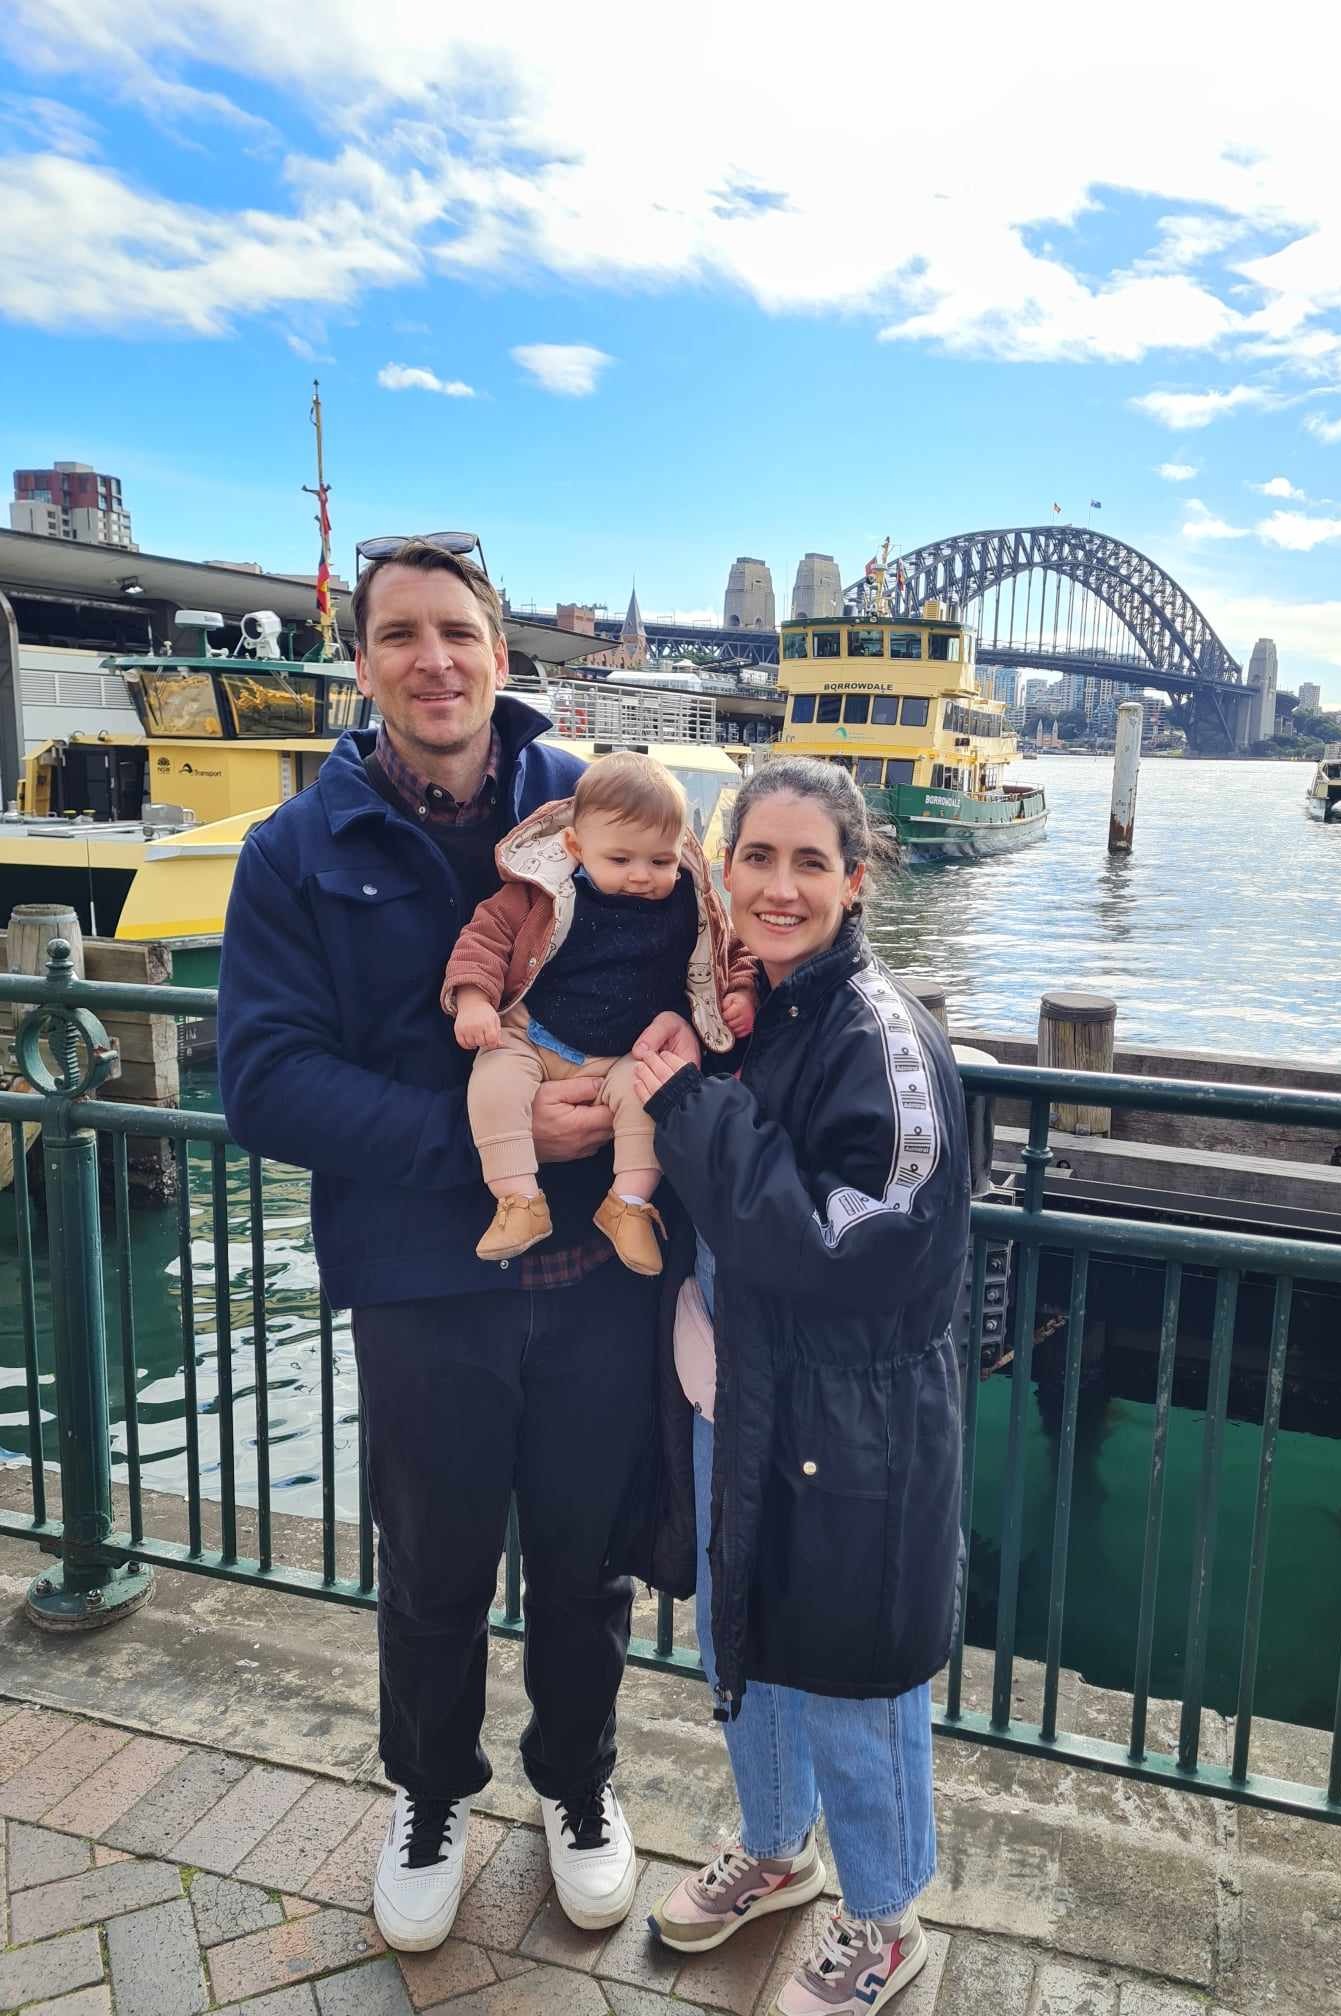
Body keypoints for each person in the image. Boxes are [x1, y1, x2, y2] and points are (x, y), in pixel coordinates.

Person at [217, 540, 687, 1953]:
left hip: (598, 1267)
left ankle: (577, 1783)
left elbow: (718, 944)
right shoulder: (295, 849)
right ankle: (429, 1796)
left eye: (459, 632)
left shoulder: (595, 803)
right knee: (432, 1569)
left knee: (587, 1561)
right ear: (362, 663)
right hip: (424, 1280)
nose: (434, 660)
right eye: (402, 635)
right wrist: (482, 1136)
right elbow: (265, 1081)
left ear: (500, 654)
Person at [632, 758, 970, 2016]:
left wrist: (687, 1107)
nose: (780, 887)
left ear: (855, 879)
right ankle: (776, 1850)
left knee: (853, 1674)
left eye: (809, 862)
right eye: (757, 859)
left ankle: (885, 1920)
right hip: (752, 1398)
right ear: (725, 872)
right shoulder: (757, 1009)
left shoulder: (884, 1035)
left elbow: (853, 1242)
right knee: (747, 1634)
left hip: (857, 1420)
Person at [442, 751, 756, 1275]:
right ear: (575, 846)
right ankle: (518, 1199)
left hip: (623, 1053)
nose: (641, 876)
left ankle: (628, 1203)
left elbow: (728, 949)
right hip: (532, 1035)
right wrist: (474, 999)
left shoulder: (690, 902)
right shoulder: (542, 892)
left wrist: (741, 993)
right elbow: (485, 938)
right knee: (493, 1084)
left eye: (660, 862)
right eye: (621, 860)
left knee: (651, 1095)